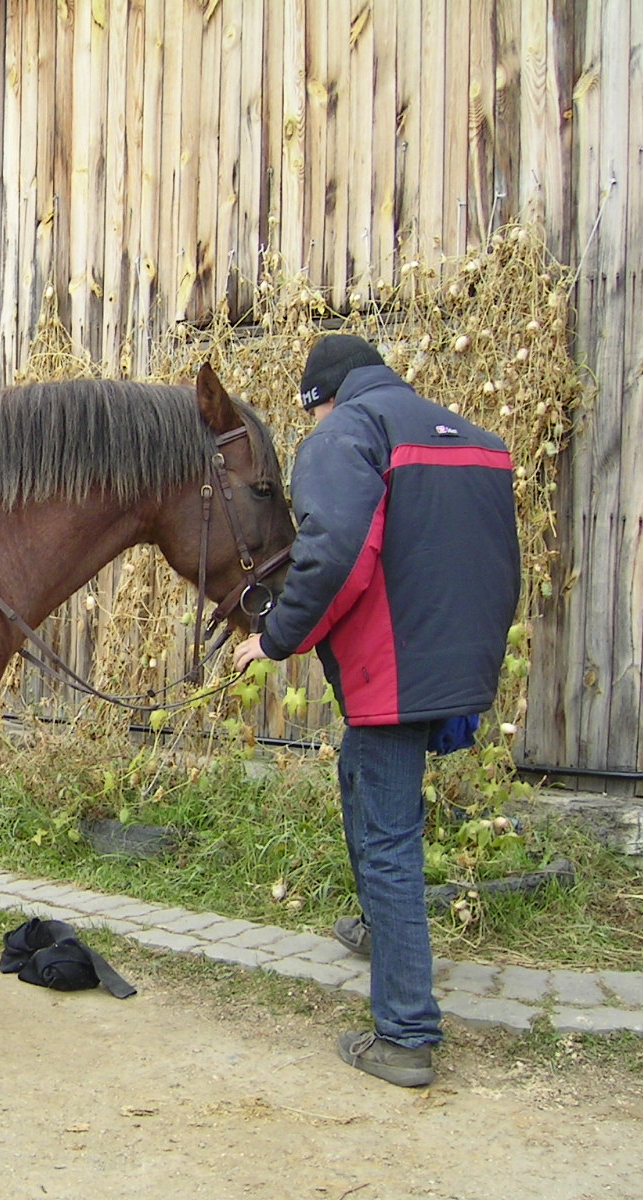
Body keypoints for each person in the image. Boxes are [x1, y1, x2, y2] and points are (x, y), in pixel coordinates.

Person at [233, 334, 520, 1088]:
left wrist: (276, 637)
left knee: (389, 840)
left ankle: (405, 1033)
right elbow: (497, 560)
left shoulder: (343, 437)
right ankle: (377, 930)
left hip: (394, 670)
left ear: (320, 399)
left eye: (312, 411)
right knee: (360, 780)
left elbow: (338, 557)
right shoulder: (475, 442)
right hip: (457, 663)